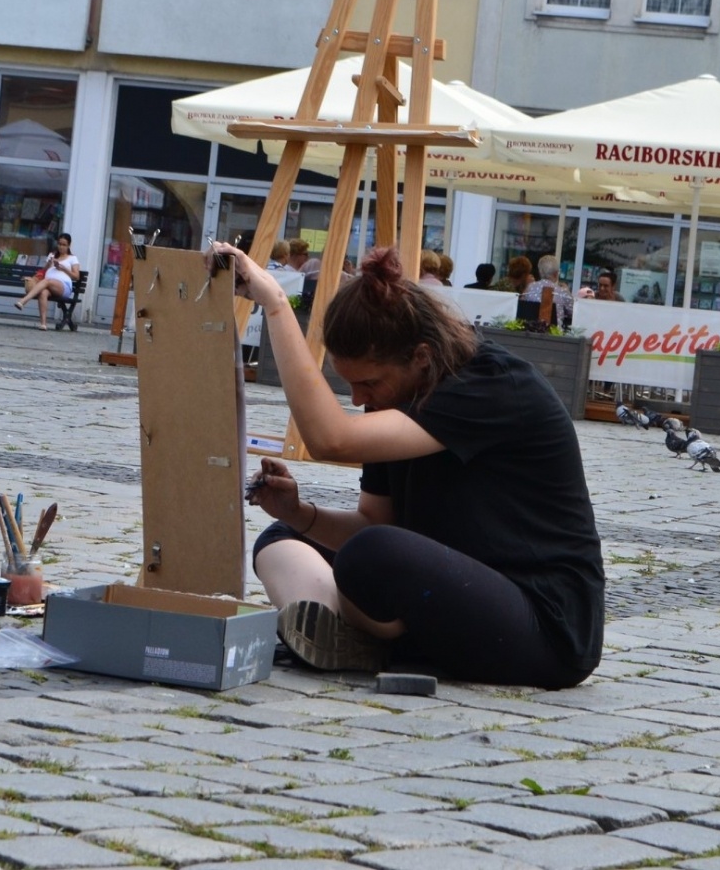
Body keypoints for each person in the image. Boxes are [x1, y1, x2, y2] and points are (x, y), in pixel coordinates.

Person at [216, 241, 605, 687]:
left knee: (369, 556)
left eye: (369, 383)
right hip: (452, 590)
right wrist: (299, 514)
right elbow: (372, 520)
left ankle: (366, 634)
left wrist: (276, 304)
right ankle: (338, 635)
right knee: (282, 536)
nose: (358, 399)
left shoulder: (492, 383)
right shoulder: (396, 396)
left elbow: (330, 440)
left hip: (545, 625)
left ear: (420, 356)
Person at [13, 232, 80, 330]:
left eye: (64, 245)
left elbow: (76, 276)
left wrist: (63, 269)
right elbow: (44, 271)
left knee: (47, 281)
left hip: (64, 287)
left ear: (69, 245)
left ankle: (23, 301)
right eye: (59, 244)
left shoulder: (72, 258)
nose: (61, 247)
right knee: (43, 292)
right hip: (49, 285)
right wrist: (49, 263)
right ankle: (43, 324)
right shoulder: (52, 255)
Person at [525, 255, 573, 326]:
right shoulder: (562, 291)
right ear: (556, 274)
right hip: (554, 331)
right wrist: (568, 292)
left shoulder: (530, 288)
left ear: (540, 272)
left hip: (531, 329)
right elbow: (573, 313)